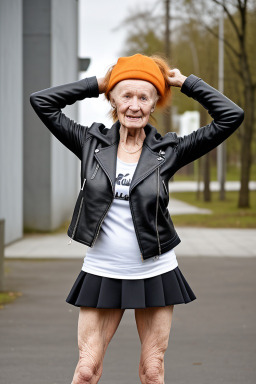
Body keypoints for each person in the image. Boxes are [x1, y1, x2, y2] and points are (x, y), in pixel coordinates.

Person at [30, 53, 244, 384]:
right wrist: (96, 84)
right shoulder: (91, 142)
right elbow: (41, 102)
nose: (134, 105)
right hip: (102, 269)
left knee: (152, 369)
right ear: (113, 99)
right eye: (125, 95)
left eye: (144, 97)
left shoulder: (170, 150)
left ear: (154, 103)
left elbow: (230, 116)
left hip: (154, 269)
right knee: (87, 370)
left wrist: (187, 84)